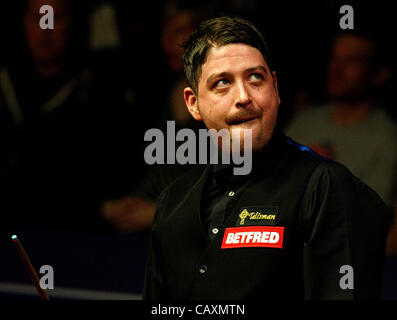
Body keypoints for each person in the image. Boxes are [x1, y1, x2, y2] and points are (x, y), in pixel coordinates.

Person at [143, 16, 391, 300]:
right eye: (222, 83)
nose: (243, 96)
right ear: (193, 103)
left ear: (274, 87)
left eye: (255, 78)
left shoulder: (324, 186)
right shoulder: (173, 201)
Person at [284, 31, 397, 255]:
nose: (336, 69)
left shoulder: (388, 139)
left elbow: (367, 221)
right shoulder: (307, 120)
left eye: (352, 62)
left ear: (379, 74)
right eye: (334, 59)